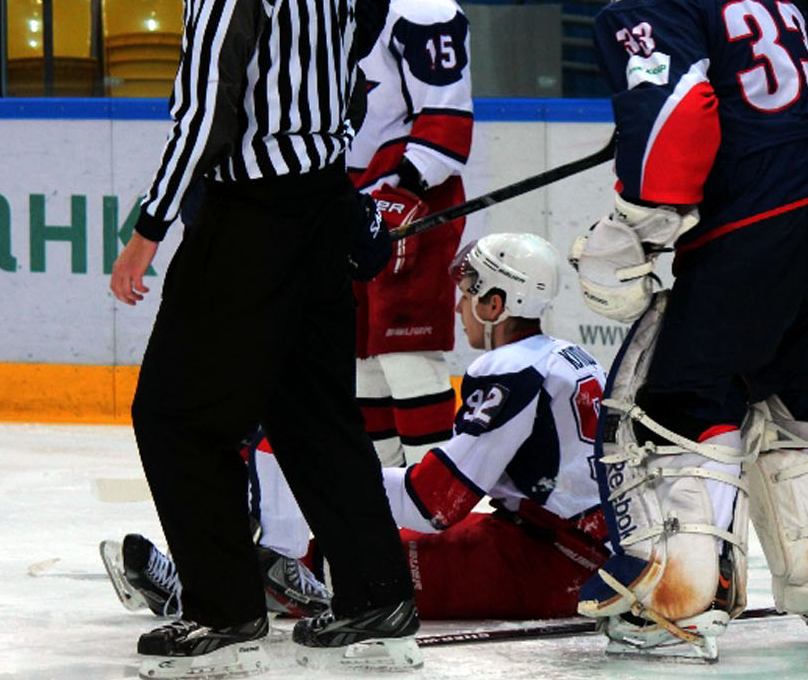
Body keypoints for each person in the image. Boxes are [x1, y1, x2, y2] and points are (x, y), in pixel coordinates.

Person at [106, 0, 419, 680]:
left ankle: (223, 606)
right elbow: (353, 73)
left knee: (171, 412)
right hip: (322, 203)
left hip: (252, 217)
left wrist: (149, 227)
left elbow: (207, 111)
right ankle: (378, 594)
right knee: (315, 411)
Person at [570, 0, 808, 659]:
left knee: (686, 399)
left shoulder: (657, 7)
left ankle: (690, 590)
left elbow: (678, 116)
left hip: (755, 233)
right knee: (799, 391)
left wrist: (636, 228)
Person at [105, 233, 612, 622]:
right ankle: (215, 575)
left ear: (495, 304)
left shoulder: (509, 370)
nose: (459, 308)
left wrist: (326, 470)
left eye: (467, 294)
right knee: (354, 536)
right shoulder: (569, 358)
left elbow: (435, 503)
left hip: (547, 564)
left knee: (367, 569)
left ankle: (207, 590)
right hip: (562, 548)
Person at [331, 0, 475, 468]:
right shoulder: (346, 5)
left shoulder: (425, 7)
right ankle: (384, 496)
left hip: (413, 198)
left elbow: (445, 116)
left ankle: (433, 495)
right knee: (363, 350)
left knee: (404, 345)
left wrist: (405, 188)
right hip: (357, 195)